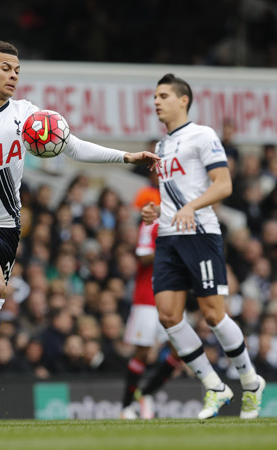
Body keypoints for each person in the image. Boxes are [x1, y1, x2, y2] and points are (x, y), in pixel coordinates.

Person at [0, 41, 160, 423]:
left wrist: (126, 156)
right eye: (5, 68)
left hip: (9, 227)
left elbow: (72, 147)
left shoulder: (29, 116)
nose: (13, 75)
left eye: (17, 70)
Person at [142, 73, 265, 420]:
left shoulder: (203, 135)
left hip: (199, 233)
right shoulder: (162, 146)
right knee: (168, 316)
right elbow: (173, 195)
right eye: (154, 96)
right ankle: (214, 386)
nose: (156, 101)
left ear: (184, 100)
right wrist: (153, 211)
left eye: (163, 95)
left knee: (212, 314)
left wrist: (191, 207)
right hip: (167, 237)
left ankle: (250, 381)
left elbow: (223, 184)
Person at [120, 218, 181, 419]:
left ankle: (145, 394)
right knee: (142, 353)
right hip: (147, 298)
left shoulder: (184, 221)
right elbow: (144, 255)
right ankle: (126, 407)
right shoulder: (151, 222)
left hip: (172, 296)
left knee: (181, 351)